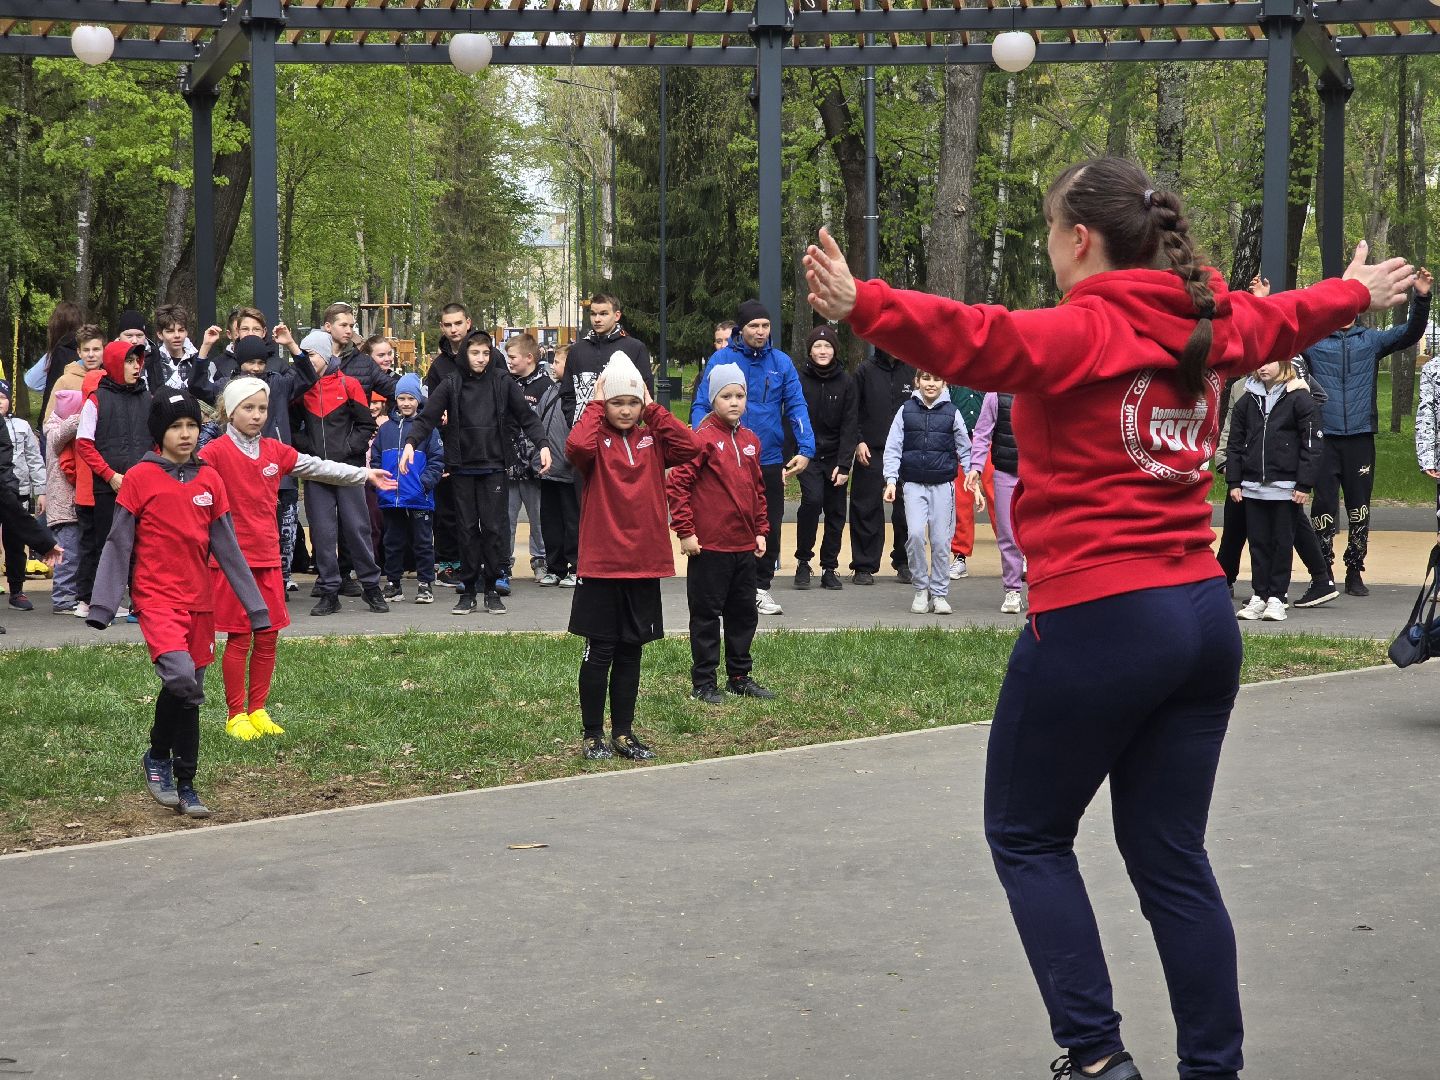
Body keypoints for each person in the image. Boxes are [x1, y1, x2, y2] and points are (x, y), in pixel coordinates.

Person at [803, 154, 1415, 1080]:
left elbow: (979, 340)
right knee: (1170, 855)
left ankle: (1096, 1059)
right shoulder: (1209, 321)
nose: (1051, 248)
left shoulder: (1087, 327)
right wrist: (1349, 291)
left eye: (1051, 230)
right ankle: (1214, 1068)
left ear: (1078, 238)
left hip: (1101, 615)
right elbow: (1283, 315)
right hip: (1203, 619)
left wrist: (865, 304)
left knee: (1026, 833)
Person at [88, 391, 268, 818]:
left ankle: (185, 783)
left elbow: (228, 548)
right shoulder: (139, 478)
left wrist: (255, 609)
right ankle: (157, 755)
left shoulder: (209, 479)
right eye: (175, 427)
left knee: (188, 691)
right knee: (182, 677)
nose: (186, 434)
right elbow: (118, 543)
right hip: (156, 599)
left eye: (190, 425)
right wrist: (103, 605)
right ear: (160, 433)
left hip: (200, 602)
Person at [201, 377, 397, 740]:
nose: (257, 415)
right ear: (228, 411)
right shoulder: (212, 454)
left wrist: (363, 474)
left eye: (262, 408)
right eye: (248, 408)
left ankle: (258, 709)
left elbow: (318, 466)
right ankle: (235, 715)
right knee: (240, 637)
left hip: (268, 558)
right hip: (232, 563)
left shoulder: (275, 451)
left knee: (268, 635)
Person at [566, 354, 701, 760]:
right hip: (602, 563)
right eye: (616, 402)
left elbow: (691, 445)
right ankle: (593, 735)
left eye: (632, 403)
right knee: (600, 650)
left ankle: (623, 732)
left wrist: (654, 407)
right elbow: (575, 446)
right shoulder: (595, 442)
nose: (625, 410)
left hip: (643, 562)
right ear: (604, 404)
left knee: (631, 650)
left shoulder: (654, 439)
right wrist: (594, 400)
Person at [399, 330, 550, 616]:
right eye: (474, 353)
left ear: (492, 354)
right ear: (465, 354)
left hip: (494, 466)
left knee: (494, 529)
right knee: (466, 530)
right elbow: (428, 416)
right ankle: (468, 590)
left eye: (485, 353)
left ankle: (492, 589)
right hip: (462, 468)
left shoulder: (503, 381)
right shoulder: (451, 383)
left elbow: (527, 417)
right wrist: (410, 444)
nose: (480, 359)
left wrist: (542, 444)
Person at [1302, 265, 1432, 596]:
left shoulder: (1370, 341)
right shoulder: (1313, 342)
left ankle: (1354, 571)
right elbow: (1283, 331)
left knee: (1359, 507)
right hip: (1324, 438)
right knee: (1324, 506)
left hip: (1360, 437)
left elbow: (1411, 332)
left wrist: (1421, 297)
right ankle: (1324, 571)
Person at [691, 300, 813, 616]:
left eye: (765, 326)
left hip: (769, 458)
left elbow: (797, 406)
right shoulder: (722, 360)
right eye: (753, 326)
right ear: (740, 330)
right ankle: (726, 587)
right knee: (727, 521)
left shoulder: (781, 363)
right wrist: (700, 442)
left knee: (768, 523)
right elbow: (701, 406)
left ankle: (760, 588)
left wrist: (806, 448)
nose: (760, 331)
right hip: (726, 458)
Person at [667, 363, 773, 704]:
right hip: (709, 546)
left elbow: (757, 490)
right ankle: (704, 681)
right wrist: (686, 531)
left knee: (744, 614)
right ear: (713, 399)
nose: (734, 402)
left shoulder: (750, 441)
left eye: (740, 395)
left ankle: (739, 675)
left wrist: (760, 530)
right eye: (726, 396)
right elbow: (677, 485)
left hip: (743, 546)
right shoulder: (700, 439)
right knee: (707, 616)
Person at [189, 327, 316, 594]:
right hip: (239, 470)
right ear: (239, 362)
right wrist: (205, 348)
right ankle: (242, 584)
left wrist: (292, 344)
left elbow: (308, 377)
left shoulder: (277, 383)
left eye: (260, 363)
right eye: (250, 363)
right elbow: (198, 386)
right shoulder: (228, 386)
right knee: (241, 531)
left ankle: (278, 582)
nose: (256, 369)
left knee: (282, 529)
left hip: (275, 466)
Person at [294, 344, 388, 616]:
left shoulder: (350, 384)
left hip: (349, 471)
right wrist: (309, 449)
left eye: (311, 354)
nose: (306, 360)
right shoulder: (301, 389)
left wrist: (348, 451)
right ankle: (329, 591)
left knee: (358, 529)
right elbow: (290, 426)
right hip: (316, 471)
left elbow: (366, 425)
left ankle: (371, 586)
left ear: (324, 355)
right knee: (322, 533)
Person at [1225, 357, 1320, 623]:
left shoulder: (1299, 398)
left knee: (1281, 543)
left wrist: (1304, 484)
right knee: (1258, 544)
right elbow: (1234, 443)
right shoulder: (1248, 399)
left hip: (1286, 487)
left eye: (1270, 363)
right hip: (1253, 486)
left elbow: (1311, 444)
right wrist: (1234, 481)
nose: (1262, 367)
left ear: (1285, 364)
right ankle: (1259, 595)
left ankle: (1277, 597)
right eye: (1259, 363)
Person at [881, 370, 971, 615]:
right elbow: (893, 447)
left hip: (943, 486)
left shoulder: (953, 413)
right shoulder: (905, 411)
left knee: (942, 541)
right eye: (927, 379)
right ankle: (921, 588)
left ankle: (940, 593)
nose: (931, 384)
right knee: (916, 536)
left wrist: (972, 476)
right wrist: (891, 480)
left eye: (936, 380)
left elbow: (965, 448)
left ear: (944, 383)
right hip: (913, 485)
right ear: (917, 382)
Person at [74, 340, 152, 619]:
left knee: (143, 545)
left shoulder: (146, 397)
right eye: (130, 361)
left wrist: (148, 473)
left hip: (143, 486)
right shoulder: (97, 399)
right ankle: (101, 603)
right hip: (108, 488)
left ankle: (139, 602)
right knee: (110, 544)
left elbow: (155, 441)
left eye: (138, 361)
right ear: (116, 364)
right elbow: (84, 443)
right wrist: (110, 475)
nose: (135, 367)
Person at [793, 325, 858, 592]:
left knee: (835, 511)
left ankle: (829, 567)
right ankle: (803, 561)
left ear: (834, 350)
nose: (822, 351)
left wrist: (844, 464)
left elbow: (850, 424)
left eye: (827, 346)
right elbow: (792, 418)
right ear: (810, 350)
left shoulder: (846, 382)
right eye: (817, 346)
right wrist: (797, 452)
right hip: (808, 455)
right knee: (812, 502)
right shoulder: (799, 379)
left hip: (835, 457)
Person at [372, 373, 441, 605]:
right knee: (392, 541)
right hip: (391, 497)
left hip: (419, 497)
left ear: (418, 400)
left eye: (410, 398)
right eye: (401, 398)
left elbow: (437, 460)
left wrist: (424, 483)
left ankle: (425, 583)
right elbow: (376, 459)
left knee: (422, 542)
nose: (406, 403)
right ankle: (393, 583)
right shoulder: (385, 430)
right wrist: (379, 484)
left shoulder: (427, 429)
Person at [849, 347, 915, 586]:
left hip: (906, 451)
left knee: (907, 509)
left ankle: (905, 561)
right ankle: (864, 565)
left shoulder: (911, 370)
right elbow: (852, 409)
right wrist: (858, 440)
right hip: (871, 449)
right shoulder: (865, 371)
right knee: (865, 508)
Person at [0, 416, 63, 635]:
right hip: (9, 493)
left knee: (15, 542)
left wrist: (43, 542)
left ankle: (16, 590)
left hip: (13, 491)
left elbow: (12, 464)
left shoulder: (15, 426)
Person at [426, 303, 475, 588]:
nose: (454, 329)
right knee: (447, 509)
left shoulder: (486, 356)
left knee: (478, 510)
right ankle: (448, 563)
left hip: (481, 444)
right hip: (449, 445)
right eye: (448, 325)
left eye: (458, 323)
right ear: (442, 327)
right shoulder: (439, 366)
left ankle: (480, 562)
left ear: (468, 322)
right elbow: (434, 410)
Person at [966, 392, 1026, 614]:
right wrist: (976, 467)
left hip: (1037, 473)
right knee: (1008, 534)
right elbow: (982, 433)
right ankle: (1013, 590)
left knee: (1041, 534)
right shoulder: (995, 395)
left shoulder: (1042, 385)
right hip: (1006, 473)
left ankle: (1042, 590)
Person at [561, 293, 655, 427]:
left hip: (622, 434)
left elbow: (645, 391)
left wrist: (630, 425)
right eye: (593, 314)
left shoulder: (635, 348)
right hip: (584, 432)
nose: (597, 319)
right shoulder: (577, 350)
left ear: (617, 315)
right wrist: (574, 421)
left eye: (603, 314)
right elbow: (567, 392)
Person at [504, 333, 553, 586]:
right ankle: (504, 562)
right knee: (507, 517)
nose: (509, 362)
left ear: (529, 358)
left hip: (535, 464)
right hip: (510, 463)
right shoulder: (507, 383)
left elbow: (546, 424)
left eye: (512, 357)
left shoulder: (546, 386)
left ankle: (540, 560)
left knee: (538, 516)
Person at [0, 380, 46, 610]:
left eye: (2, 397)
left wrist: (41, 491)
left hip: (18, 493)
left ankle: (16, 590)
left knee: (16, 543)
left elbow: (35, 459)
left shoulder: (21, 426)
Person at [535, 356, 580, 587]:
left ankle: (576, 566)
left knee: (573, 521)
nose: (553, 366)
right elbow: (537, 424)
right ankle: (555, 567)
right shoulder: (550, 392)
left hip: (570, 471)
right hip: (549, 470)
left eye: (558, 362)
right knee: (551, 522)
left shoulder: (578, 393)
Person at [43, 390, 85, 614]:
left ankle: (72, 595)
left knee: (75, 552)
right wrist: (84, 412)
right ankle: (62, 599)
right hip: (62, 505)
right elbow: (64, 432)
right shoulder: (54, 430)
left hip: (71, 506)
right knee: (67, 554)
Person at [947, 384, 990, 580]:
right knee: (961, 502)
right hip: (959, 441)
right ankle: (960, 555)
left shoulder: (993, 369)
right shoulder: (953, 369)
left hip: (991, 440)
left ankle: (1015, 556)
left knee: (1001, 499)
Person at [31, 300, 84, 417]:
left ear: (56, 326)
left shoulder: (60, 350)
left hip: (61, 416)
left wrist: (42, 424)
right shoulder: (87, 349)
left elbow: (35, 383)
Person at [147, 304, 210, 394]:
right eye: (170, 331)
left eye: (181, 330)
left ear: (186, 332)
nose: (177, 335)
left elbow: (207, 393)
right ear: (160, 334)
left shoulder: (197, 360)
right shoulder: (152, 361)